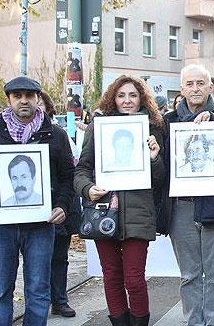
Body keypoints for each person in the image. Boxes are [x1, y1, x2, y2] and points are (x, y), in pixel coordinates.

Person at [74, 75, 165, 326]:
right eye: (122, 95)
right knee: (111, 276)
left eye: (133, 95)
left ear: (141, 99)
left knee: (134, 279)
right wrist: (87, 188)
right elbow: (82, 168)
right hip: (103, 212)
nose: (127, 100)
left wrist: (155, 157)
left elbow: (161, 179)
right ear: (113, 98)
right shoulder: (99, 127)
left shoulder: (153, 129)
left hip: (138, 213)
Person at [161, 64, 214, 326]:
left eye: (200, 83)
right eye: (189, 84)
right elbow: (163, 167)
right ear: (182, 88)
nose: (195, 89)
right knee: (190, 275)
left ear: (210, 87)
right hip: (182, 208)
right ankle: (194, 322)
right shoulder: (169, 121)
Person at [0, 76, 74, 326]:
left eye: (29, 96)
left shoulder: (55, 135)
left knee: (38, 291)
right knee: (0, 289)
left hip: (42, 224)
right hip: (3, 226)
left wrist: (62, 206)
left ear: (38, 99)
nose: (23, 101)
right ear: (9, 100)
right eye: (17, 96)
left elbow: (68, 177)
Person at [39, 91, 81, 318]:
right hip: (30, 208)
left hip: (58, 204)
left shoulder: (58, 134)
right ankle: (39, 301)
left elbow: (69, 171)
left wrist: (64, 205)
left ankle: (60, 299)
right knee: (37, 259)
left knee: (59, 256)